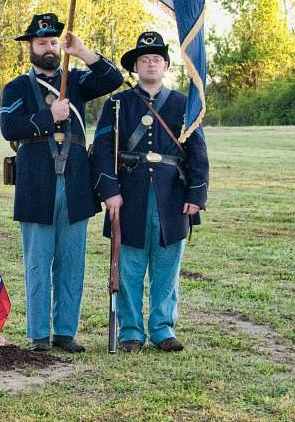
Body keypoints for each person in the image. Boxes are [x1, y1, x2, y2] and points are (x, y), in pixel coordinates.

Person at [0, 12, 123, 352]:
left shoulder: (78, 80)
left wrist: (83, 52)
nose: (49, 47)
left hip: (75, 182)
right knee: (38, 262)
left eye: (54, 42)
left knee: (72, 263)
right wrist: (48, 117)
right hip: (36, 183)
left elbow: (113, 79)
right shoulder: (17, 87)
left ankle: (65, 332)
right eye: (42, 42)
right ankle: (39, 334)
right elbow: (9, 128)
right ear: (31, 47)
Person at [91, 31, 209, 353]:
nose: (150, 64)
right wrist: (109, 191)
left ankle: (162, 329)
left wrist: (196, 195)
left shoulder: (185, 104)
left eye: (156, 59)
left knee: (166, 268)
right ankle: (130, 332)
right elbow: (102, 150)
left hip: (172, 197)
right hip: (129, 196)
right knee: (128, 267)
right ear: (136, 67)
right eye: (144, 60)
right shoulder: (117, 104)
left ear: (166, 65)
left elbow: (197, 151)